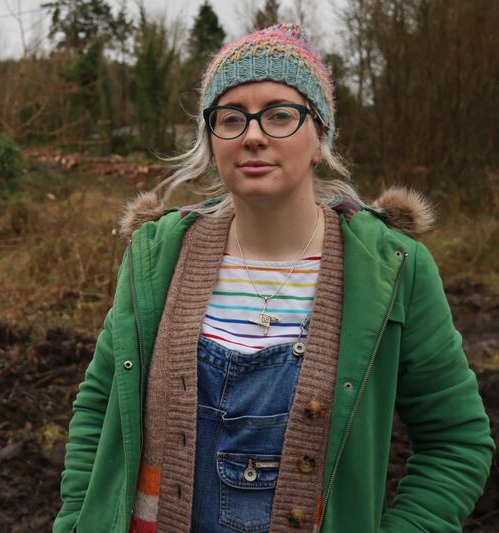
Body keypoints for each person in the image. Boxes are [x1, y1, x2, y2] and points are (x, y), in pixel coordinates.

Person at [53, 23, 494, 533]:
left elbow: (455, 442)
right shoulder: (156, 258)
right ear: (211, 140)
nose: (254, 135)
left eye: (280, 115)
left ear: (319, 138)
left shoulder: (392, 271)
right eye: (231, 118)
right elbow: (98, 411)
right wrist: (76, 521)